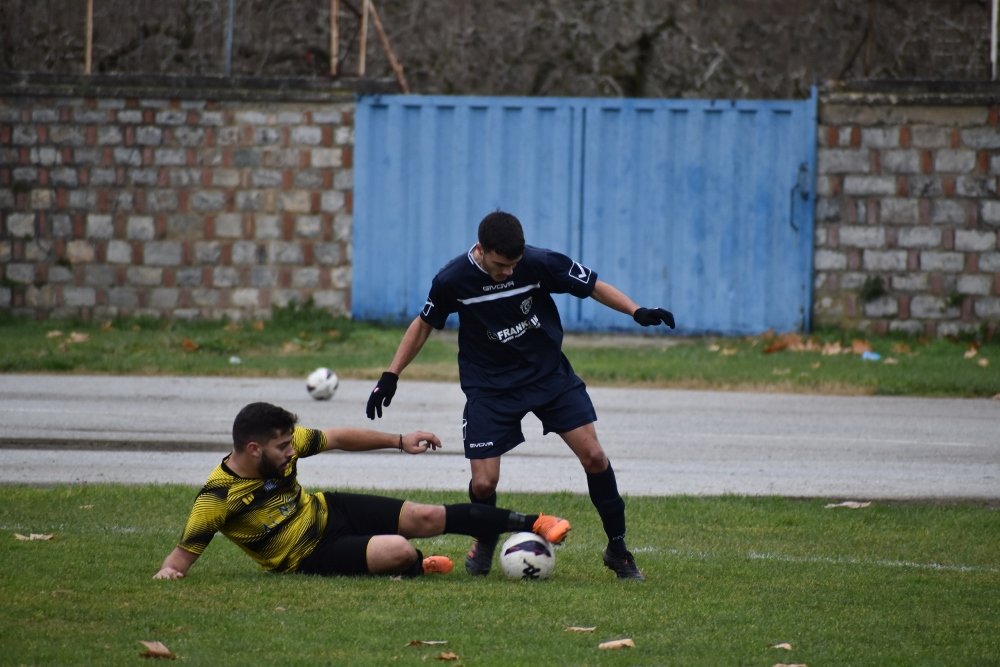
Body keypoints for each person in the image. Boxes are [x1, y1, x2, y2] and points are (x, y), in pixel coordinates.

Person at [366, 211, 674, 581]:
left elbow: (592, 284)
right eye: (500, 265)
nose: (509, 272)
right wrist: (390, 374)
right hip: (490, 387)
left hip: (547, 377)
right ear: (480, 250)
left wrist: (636, 310)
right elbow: (424, 323)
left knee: (594, 456)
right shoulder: (452, 279)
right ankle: (485, 540)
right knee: (483, 483)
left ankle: (618, 549)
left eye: (514, 265)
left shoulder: (539, 262)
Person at [153, 401, 570, 580]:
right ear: (252, 449)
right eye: (283, 447)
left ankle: (535, 521)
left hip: (328, 510)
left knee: (424, 516)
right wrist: (170, 573)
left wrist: (399, 438)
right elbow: (181, 558)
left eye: (290, 443)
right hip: (306, 555)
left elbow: (337, 437)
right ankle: (415, 566)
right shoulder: (216, 498)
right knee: (399, 549)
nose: (291, 450)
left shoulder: (286, 444)